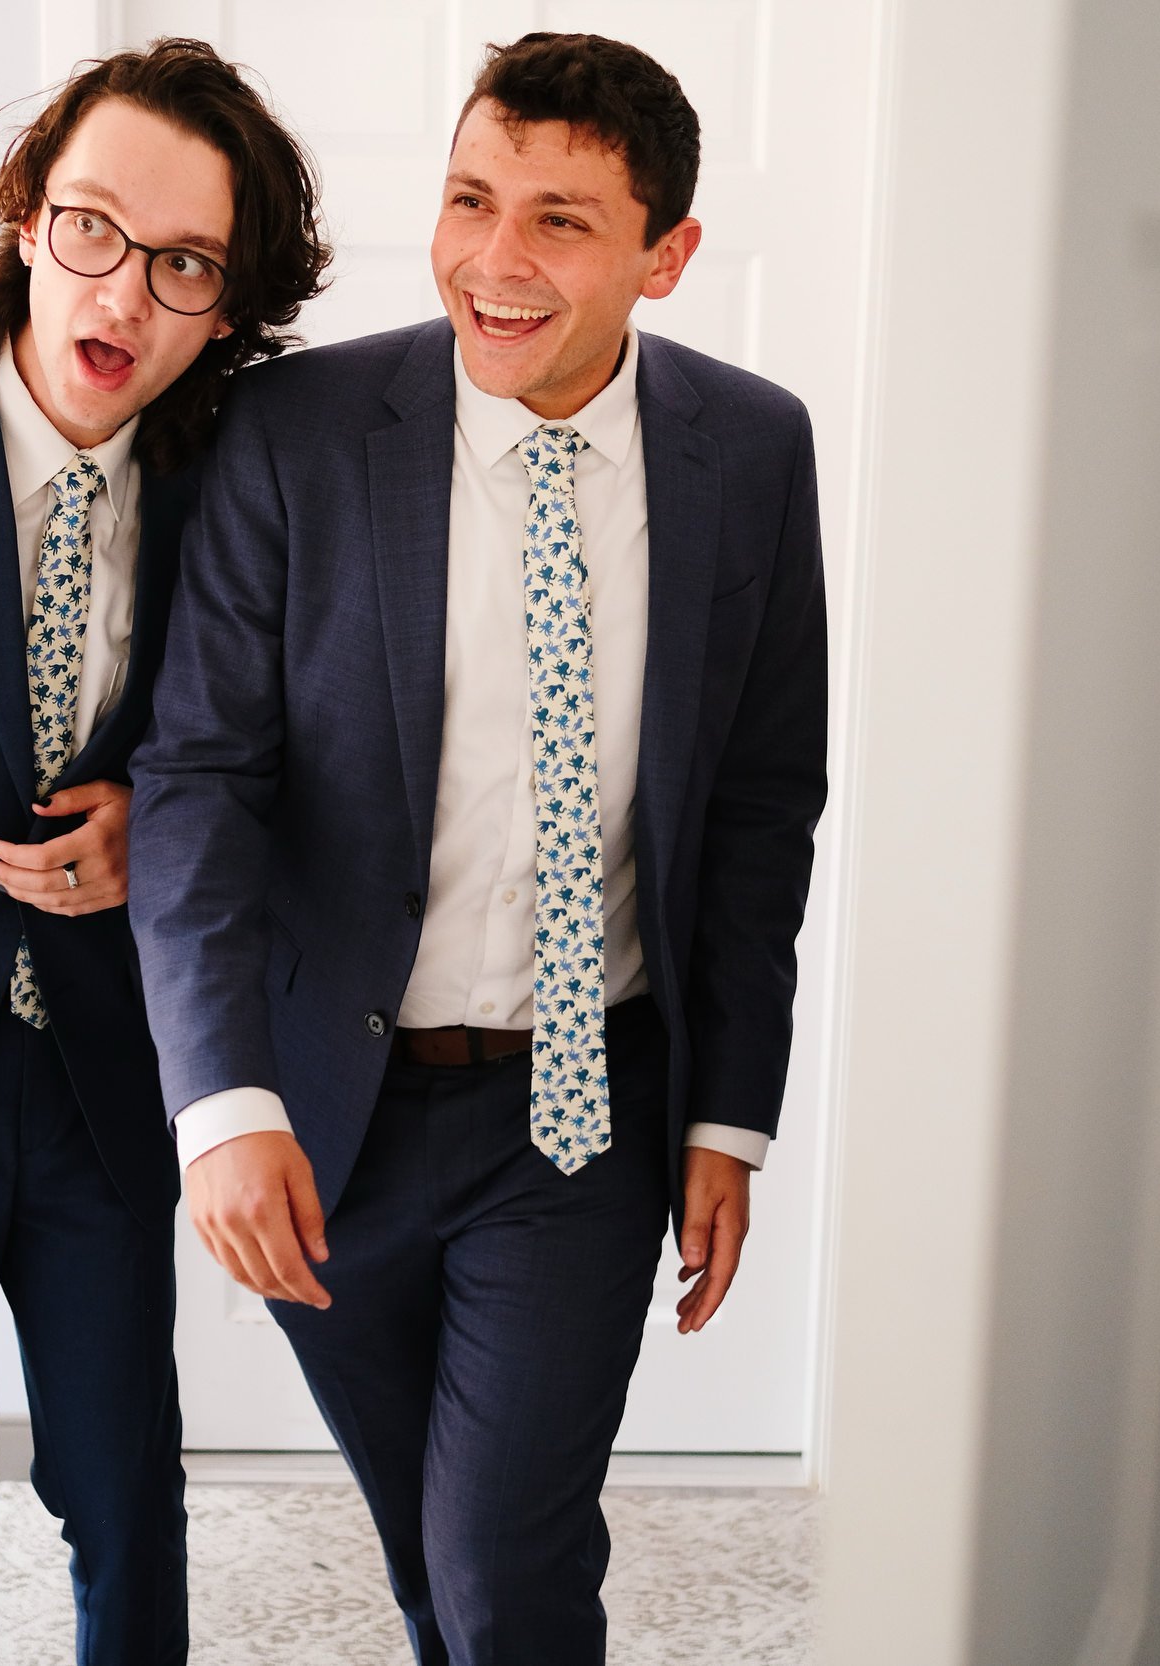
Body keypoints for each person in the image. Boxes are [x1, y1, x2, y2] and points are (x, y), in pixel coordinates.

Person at [130, 32, 828, 1664]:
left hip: (583, 1110)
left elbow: (757, 804)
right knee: (433, 1560)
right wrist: (221, 1102)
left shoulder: (752, 448)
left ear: (668, 250)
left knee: (505, 1566)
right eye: (468, 200)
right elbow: (199, 777)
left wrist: (731, 1111)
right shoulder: (296, 431)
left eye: (562, 221)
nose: (494, 263)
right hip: (329, 1114)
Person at [0, 39, 326, 1665]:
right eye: (91, 228)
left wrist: (170, 824)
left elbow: (298, 756)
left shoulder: (244, 479)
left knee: (127, 1487)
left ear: (229, 302)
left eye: (186, 262)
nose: (121, 294)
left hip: (108, 1072)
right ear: (27, 211)